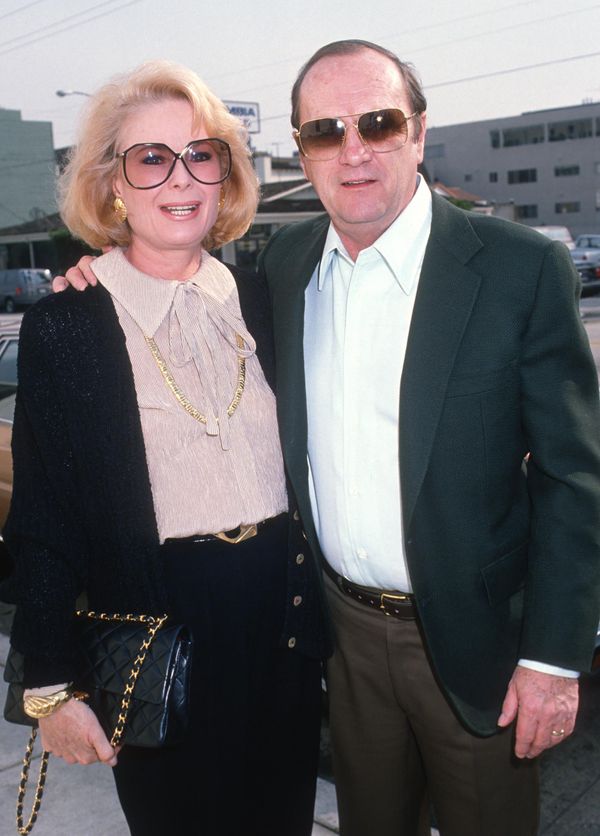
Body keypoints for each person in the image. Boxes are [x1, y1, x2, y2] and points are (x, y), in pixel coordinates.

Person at [54, 40, 600, 836]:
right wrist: (94, 269)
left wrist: (552, 659)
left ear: (418, 131)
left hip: (476, 648)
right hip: (336, 644)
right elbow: (165, 279)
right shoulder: (283, 265)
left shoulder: (521, 270)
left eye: (377, 123)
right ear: (300, 149)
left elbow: (572, 478)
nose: (353, 151)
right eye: (323, 131)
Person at [2, 60, 329, 836]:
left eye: (201, 154)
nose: (179, 178)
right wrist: (49, 686)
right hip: (159, 630)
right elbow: (44, 521)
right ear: (112, 182)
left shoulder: (263, 298)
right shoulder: (68, 326)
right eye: (151, 157)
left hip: (281, 625)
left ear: (225, 174)